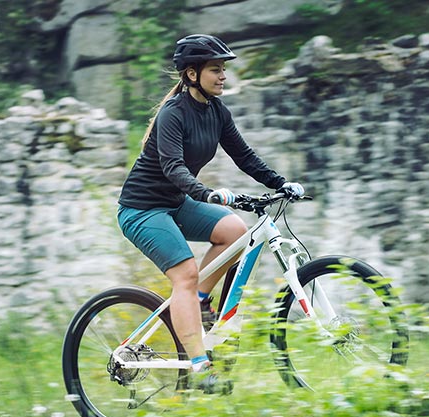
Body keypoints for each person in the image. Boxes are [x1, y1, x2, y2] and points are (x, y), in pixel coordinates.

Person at [117, 34, 304, 393]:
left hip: (174, 202)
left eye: (223, 70)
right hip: (141, 209)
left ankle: (198, 302)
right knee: (185, 274)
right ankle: (201, 367)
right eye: (215, 70)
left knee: (234, 230)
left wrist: (281, 184)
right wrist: (208, 194)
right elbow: (172, 166)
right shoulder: (173, 114)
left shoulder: (217, 111)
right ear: (192, 74)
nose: (223, 76)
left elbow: (245, 156)